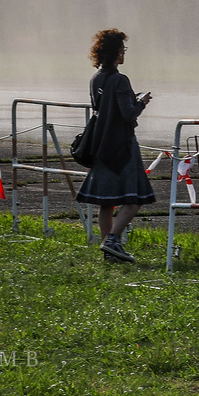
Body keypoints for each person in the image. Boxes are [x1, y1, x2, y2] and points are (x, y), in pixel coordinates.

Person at [74, 28, 156, 263]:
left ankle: (108, 251)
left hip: (101, 145)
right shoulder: (120, 79)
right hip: (122, 146)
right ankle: (112, 240)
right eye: (122, 49)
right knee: (134, 200)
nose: (124, 54)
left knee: (106, 202)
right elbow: (128, 114)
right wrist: (141, 102)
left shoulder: (96, 78)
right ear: (115, 53)